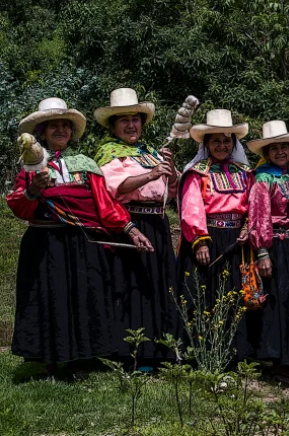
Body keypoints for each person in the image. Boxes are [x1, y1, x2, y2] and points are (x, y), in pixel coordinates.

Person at [7, 98, 152, 377]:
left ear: (72, 132)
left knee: (78, 297)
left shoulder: (85, 164)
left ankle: (77, 360)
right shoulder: (31, 166)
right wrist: (34, 190)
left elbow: (105, 205)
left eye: (65, 126)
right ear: (42, 132)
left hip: (78, 243)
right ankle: (48, 361)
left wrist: (131, 229)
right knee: (49, 298)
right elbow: (18, 205)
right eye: (54, 126)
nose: (61, 130)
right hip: (43, 243)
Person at [93, 88, 181, 364]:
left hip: (158, 222)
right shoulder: (109, 154)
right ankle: (132, 353)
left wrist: (171, 169)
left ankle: (160, 350)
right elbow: (114, 188)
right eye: (124, 121)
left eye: (135, 120)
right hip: (130, 222)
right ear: (113, 125)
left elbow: (172, 191)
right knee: (133, 285)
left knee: (159, 283)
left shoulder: (150, 152)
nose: (131, 125)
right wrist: (151, 174)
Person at [177, 109, 254, 360]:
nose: (222, 145)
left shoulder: (245, 172)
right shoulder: (197, 173)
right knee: (206, 293)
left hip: (237, 241)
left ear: (234, 143)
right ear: (206, 143)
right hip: (207, 239)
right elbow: (191, 208)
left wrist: (246, 228)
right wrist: (199, 241)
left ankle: (233, 352)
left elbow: (253, 205)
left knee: (234, 294)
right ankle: (201, 352)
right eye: (216, 141)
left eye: (227, 140)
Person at [246, 120, 289, 383]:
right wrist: (262, 251)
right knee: (276, 302)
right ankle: (277, 361)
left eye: (285, 147)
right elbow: (259, 215)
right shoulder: (262, 178)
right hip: (274, 244)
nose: (281, 152)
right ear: (266, 153)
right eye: (275, 148)